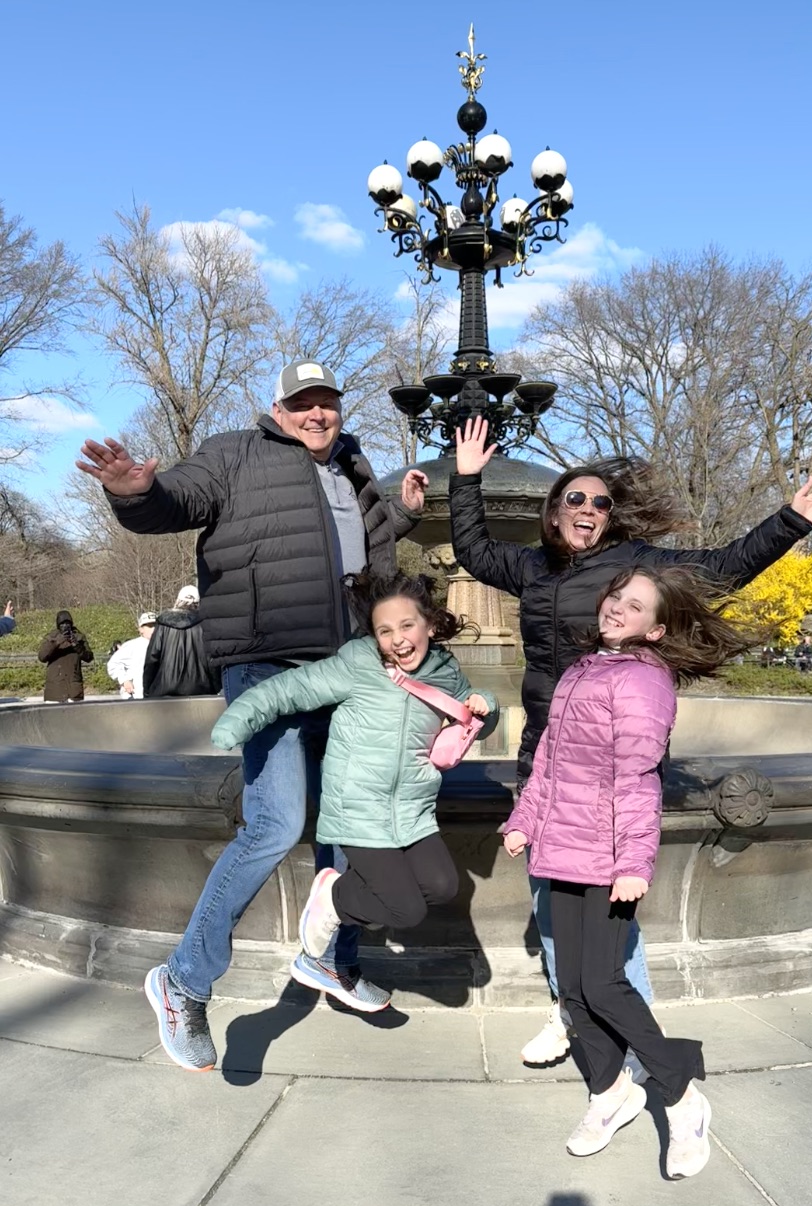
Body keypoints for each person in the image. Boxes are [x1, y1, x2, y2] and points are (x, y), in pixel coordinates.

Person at [450, 417, 812, 1064]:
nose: (587, 509)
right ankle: (570, 1010)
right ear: (553, 514)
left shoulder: (636, 566)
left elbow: (724, 568)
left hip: (614, 767)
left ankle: (641, 1052)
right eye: (574, 499)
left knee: (612, 910)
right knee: (550, 896)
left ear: (610, 518)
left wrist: (793, 520)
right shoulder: (528, 569)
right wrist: (466, 478)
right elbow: (470, 550)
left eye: (600, 502)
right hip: (547, 758)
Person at [77, 358, 429, 1070]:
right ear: (279, 407)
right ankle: (181, 981)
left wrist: (405, 514)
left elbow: (353, 545)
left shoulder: (356, 465)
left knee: (352, 830)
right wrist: (135, 494)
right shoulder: (237, 452)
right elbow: (174, 498)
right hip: (269, 669)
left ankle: (331, 960)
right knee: (274, 824)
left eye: (326, 401)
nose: (316, 414)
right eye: (302, 403)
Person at [503, 565, 749, 1177]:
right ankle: (611, 1093)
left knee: (607, 984)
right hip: (562, 848)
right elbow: (551, 766)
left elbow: (637, 782)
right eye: (617, 596)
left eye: (635, 605)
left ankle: (683, 1096)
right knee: (577, 991)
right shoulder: (585, 669)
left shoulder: (642, 681)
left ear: (657, 629)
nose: (617, 607)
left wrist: (634, 863)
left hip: (610, 859)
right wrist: (525, 821)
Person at [209, 572, 498, 995]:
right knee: (405, 910)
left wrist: (484, 706)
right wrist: (237, 720)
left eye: (406, 625)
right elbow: (290, 689)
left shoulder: (446, 674)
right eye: (385, 631)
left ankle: (340, 898)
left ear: (429, 625)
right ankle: (335, 898)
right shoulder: (358, 664)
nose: (398, 639)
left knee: (442, 886)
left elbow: (471, 726)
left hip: (412, 811)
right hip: (357, 809)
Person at [143, 585, 219, 698]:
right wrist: (216, 686)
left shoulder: (163, 623)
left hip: (164, 689)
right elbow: (211, 660)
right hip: (200, 689)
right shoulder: (205, 624)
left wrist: (147, 688)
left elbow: (152, 658)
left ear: (178, 600)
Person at [38, 610, 94, 703]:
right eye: (62, 624)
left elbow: (89, 657)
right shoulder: (51, 637)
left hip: (74, 686)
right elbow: (42, 657)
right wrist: (56, 642)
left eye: (67, 624)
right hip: (55, 687)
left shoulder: (79, 637)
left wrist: (76, 645)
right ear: (58, 625)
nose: (65, 627)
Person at [107, 614, 157, 698]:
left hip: (157, 698)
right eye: (150, 626)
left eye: (156, 626)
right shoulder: (131, 646)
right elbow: (113, 664)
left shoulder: (166, 646)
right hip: (135, 695)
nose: (154, 629)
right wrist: (124, 680)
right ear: (141, 629)